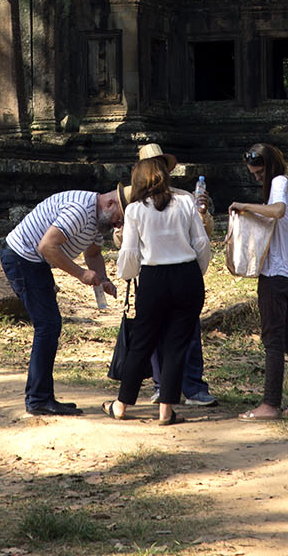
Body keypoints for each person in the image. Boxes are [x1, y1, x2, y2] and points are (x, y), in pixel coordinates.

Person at [0, 187, 122, 417]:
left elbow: (93, 254)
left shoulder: (97, 220)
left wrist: (103, 280)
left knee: (49, 325)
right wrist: (81, 274)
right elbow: (47, 246)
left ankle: (42, 397)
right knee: (48, 326)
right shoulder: (81, 210)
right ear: (110, 204)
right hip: (22, 257)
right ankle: (38, 399)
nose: (118, 226)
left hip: (35, 262)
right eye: (119, 219)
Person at [106, 159, 211, 425]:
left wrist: (126, 275)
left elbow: (129, 254)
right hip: (186, 275)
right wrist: (192, 274)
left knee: (142, 342)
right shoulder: (186, 202)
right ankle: (166, 410)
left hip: (153, 278)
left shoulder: (135, 210)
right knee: (177, 345)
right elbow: (201, 243)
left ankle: (121, 404)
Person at [136, 142, 217, 407]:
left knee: (188, 333)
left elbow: (204, 236)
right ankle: (162, 386)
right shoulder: (135, 202)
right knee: (156, 335)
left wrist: (203, 213)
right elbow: (122, 239)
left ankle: (193, 386)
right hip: (155, 272)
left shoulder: (184, 198)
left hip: (180, 271)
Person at [230, 142, 288, 419]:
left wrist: (243, 206)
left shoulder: (278, 183)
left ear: (270, 167)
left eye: (259, 174)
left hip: (274, 277)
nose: (257, 179)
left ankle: (270, 404)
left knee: (273, 343)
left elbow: (277, 211)